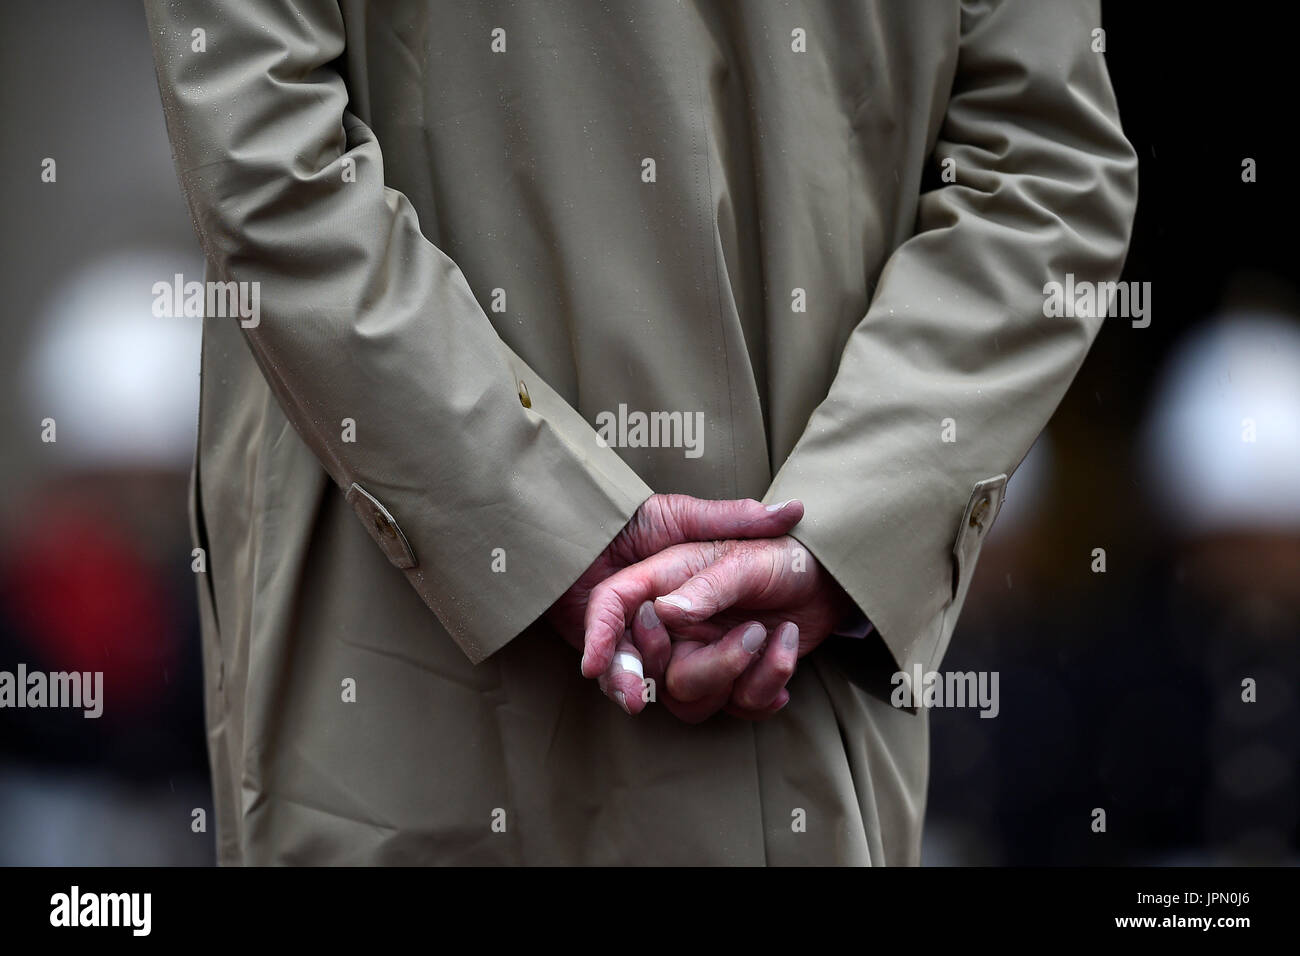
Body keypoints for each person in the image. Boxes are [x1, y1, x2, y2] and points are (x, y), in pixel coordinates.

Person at [144, 0, 1138, 864]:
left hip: (396, 673)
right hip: (777, 683)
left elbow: (266, 158)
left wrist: (537, 521)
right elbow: (1045, 175)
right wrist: (835, 533)